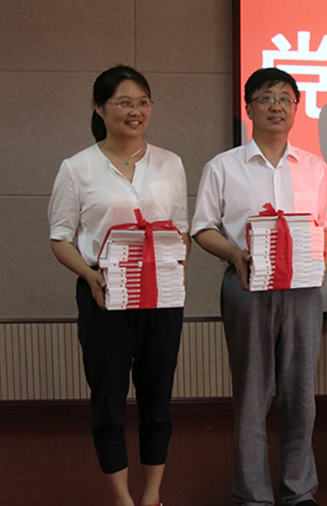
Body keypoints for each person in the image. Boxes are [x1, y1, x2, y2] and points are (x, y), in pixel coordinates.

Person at [48, 65, 189, 506]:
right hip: (103, 293)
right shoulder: (77, 168)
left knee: (157, 400)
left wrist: (172, 262)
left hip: (160, 296)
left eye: (143, 102)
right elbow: (60, 238)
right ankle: (122, 498)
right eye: (124, 103)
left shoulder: (170, 163)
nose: (135, 111)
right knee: (108, 402)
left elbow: (182, 229)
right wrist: (90, 275)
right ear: (99, 107)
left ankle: (152, 494)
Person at [192, 68, 327, 506]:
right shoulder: (223, 166)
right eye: (267, 98)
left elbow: (325, 226)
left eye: (285, 98)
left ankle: (298, 489)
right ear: (249, 107)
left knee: (300, 395)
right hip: (247, 286)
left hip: (302, 292)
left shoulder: (314, 167)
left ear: (296, 108)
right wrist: (235, 254)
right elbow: (202, 228)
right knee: (253, 394)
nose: (277, 106)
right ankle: (253, 494)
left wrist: (321, 258)